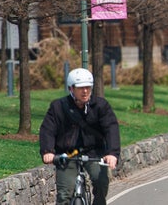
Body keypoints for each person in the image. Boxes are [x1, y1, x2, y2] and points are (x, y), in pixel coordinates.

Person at [39, 68, 121, 205]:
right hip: (68, 154)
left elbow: (111, 128)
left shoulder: (100, 106)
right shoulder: (58, 107)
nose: (85, 91)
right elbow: (47, 130)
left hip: (94, 153)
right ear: (71, 89)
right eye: (81, 88)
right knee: (65, 194)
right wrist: (48, 151)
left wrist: (112, 153)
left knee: (101, 183)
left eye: (88, 87)